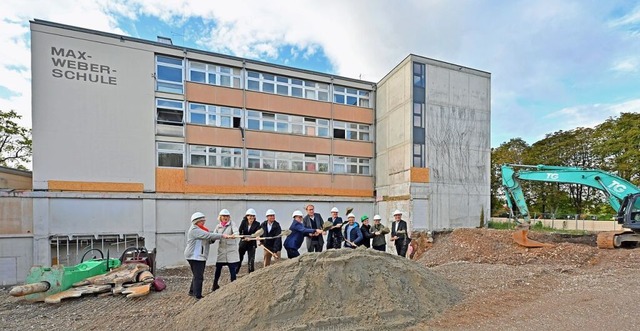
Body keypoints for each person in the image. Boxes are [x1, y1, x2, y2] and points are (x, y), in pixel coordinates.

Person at [184, 212, 230, 299]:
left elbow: (207, 239)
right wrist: (222, 235)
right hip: (195, 256)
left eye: (203, 221)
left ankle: (192, 291)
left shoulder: (201, 229)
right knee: (199, 276)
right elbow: (208, 235)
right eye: (201, 221)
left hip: (197, 256)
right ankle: (198, 295)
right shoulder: (195, 230)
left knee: (196, 274)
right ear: (196, 221)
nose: (203, 222)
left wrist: (212, 240)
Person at [211, 209, 240, 291]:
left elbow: (236, 232)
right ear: (220, 217)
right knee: (218, 268)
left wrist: (234, 235)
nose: (225, 218)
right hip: (222, 251)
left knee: (232, 269)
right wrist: (217, 237)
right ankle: (215, 284)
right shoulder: (218, 226)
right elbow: (214, 235)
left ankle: (233, 286)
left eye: (227, 216)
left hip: (231, 251)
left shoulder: (232, 224)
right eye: (224, 216)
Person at [238, 208, 261, 274]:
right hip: (243, 243)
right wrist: (244, 237)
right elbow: (240, 231)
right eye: (250, 216)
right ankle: (236, 272)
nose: (251, 217)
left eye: (253, 216)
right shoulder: (243, 222)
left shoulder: (257, 224)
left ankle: (251, 274)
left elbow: (258, 232)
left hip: (252, 244)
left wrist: (257, 236)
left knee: (251, 259)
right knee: (239, 258)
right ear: (247, 216)